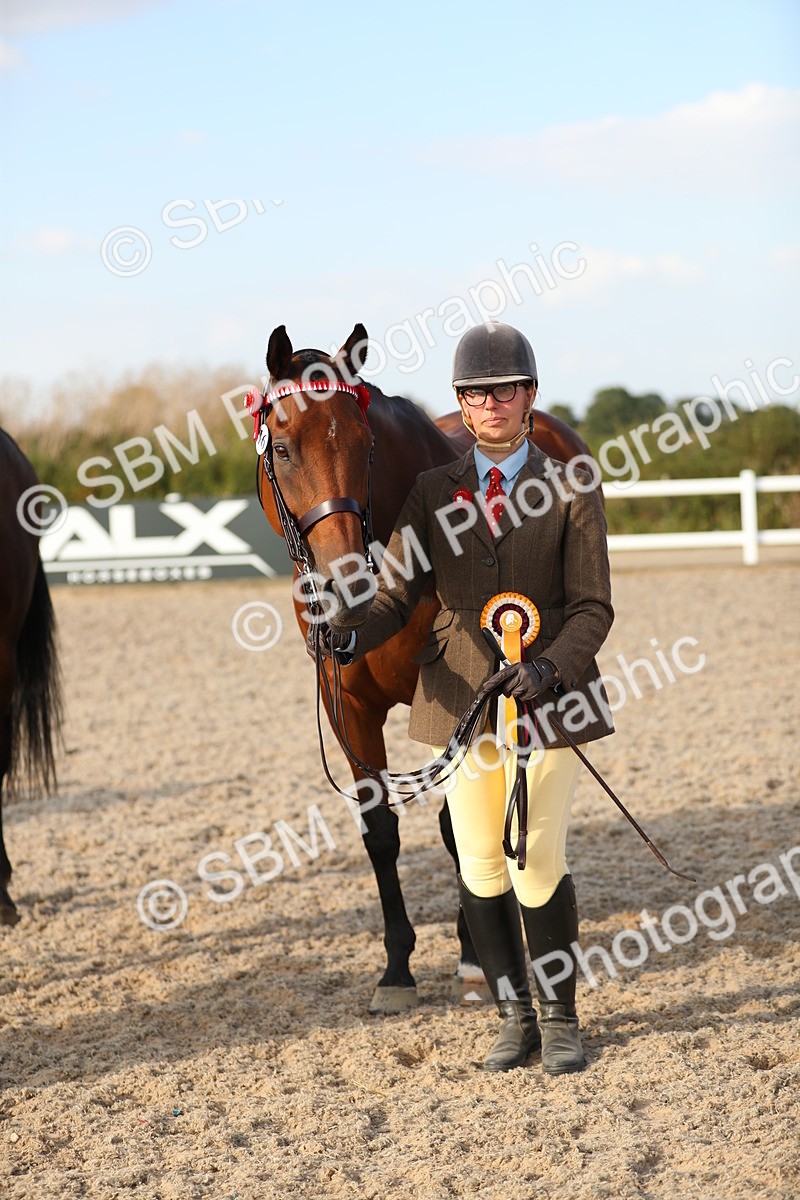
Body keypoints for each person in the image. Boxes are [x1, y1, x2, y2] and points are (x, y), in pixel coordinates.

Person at [318, 321, 614, 1074]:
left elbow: (592, 608)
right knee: (479, 863)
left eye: (505, 390)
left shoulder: (571, 487)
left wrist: (548, 669)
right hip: (462, 705)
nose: (491, 404)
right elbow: (394, 594)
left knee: (536, 861)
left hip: (549, 701)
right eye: (477, 393)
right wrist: (348, 627)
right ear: (461, 401)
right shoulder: (430, 492)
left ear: (529, 396)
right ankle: (515, 1017)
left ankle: (563, 1018)